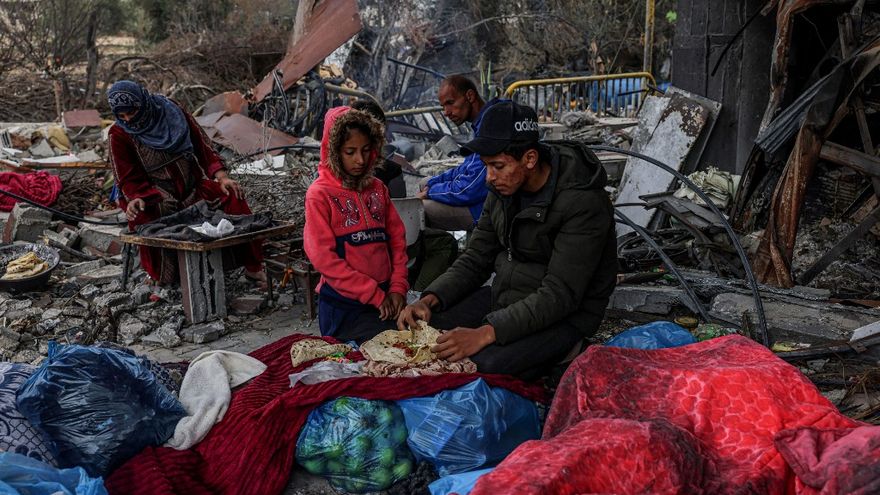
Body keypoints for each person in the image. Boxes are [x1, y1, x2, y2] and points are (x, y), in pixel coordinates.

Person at [398, 101, 618, 378]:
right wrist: (430, 298)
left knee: (482, 365)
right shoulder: (503, 189)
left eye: (498, 166)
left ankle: (569, 352)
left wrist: (485, 333)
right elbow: (476, 258)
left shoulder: (582, 202)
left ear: (529, 159)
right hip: (506, 298)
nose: (489, 178)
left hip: (564, 315)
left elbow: (559, 294)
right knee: (423, 333)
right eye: (486, 166)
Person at [107, 80, 265, 285]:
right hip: (155, 195)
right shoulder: (119, 134)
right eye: (122, 116)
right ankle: (162, 278)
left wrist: (222, 177)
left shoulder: (171, 112)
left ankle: (252, 267)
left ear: (143, 102)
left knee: (232, 194)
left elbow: (202, 145)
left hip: (192, 186)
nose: (128, 119)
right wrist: (136, 198)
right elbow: (126, 176)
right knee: (143, 217)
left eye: (132, 112)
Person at [304, 106, 410, 343]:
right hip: (343, 307)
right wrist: (373, 294)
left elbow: (397, 242)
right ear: (333, 151)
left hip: (386, 299)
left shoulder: (378, 189)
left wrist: (397, 287)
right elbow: (324, 259)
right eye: (350, 152)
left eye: (366, 150)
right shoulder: (319, 195)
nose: (360, 160)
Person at [418, 76, 501, 230]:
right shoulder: (480, 122)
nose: (446, 112)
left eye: (450, 103)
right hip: (477, 194)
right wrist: (433, 183)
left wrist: (431, 192)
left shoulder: (490, 125)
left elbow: (469, 190)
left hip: (483, 206)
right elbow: (466, 168)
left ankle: (440, 244)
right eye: (443, 106)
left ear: (470, 96)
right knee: (425, 182)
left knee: (418, 210)